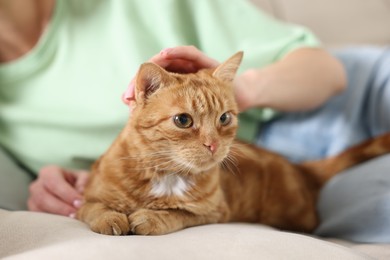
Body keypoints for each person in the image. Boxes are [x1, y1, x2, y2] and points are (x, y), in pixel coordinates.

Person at [0, 0, 388, 243]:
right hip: (257, 171)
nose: (207, 140)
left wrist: (240, 91)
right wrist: (58, 182)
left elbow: (329, 72)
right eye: (184, 121)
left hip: (341, 98)